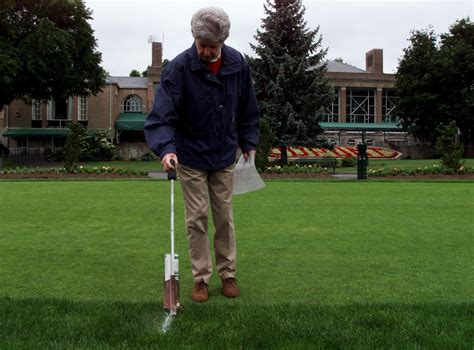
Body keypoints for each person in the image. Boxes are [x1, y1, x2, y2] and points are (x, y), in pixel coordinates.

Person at [145, 7, 259, 302]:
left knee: (224, 217)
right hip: (190, 154)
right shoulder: (179, 68)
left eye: (212, 46)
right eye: (202, 45)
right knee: (196, 218)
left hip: (223, 153)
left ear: (222, 41)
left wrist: (249, 142)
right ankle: (201, 278)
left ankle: (228, 274)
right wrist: (166, 148)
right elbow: (162, 115)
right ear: (194, 38)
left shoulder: (237, 64)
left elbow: (248, 107)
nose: (207, 51)